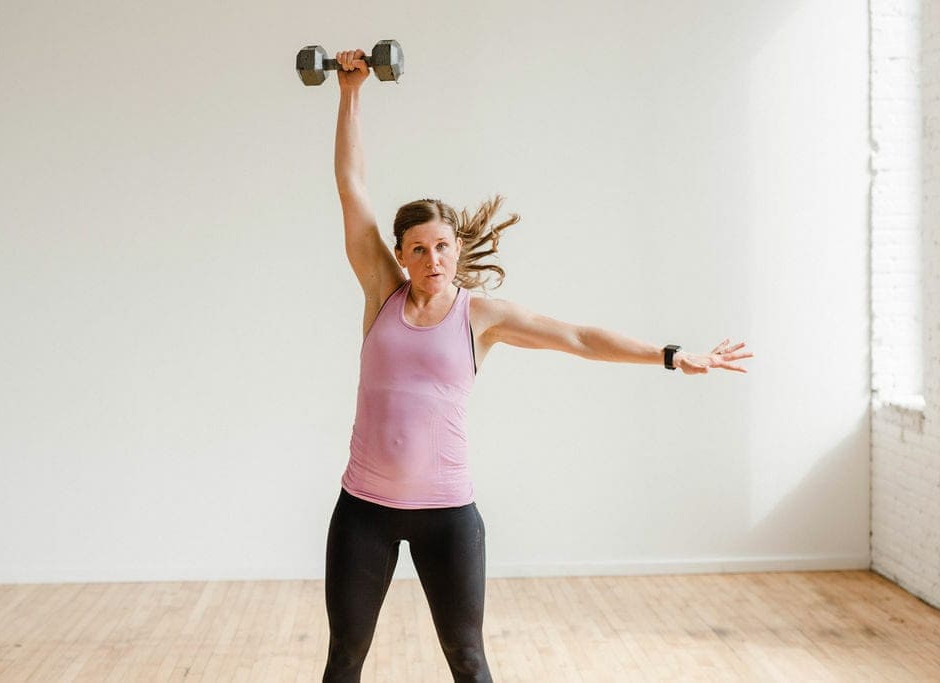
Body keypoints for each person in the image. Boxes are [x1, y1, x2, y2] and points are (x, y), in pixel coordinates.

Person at [322, 48, 754, 683]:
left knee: (468, 661)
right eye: (419, 249)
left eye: (443, 246)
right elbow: (352, 187)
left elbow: (577, 336)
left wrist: (669, 355)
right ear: (400, 255)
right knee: (343, 662)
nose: (433, 259)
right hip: (364, 510)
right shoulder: (380, 294)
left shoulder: (480, 316)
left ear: (458, 248)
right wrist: (350, 91)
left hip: (447, 515)